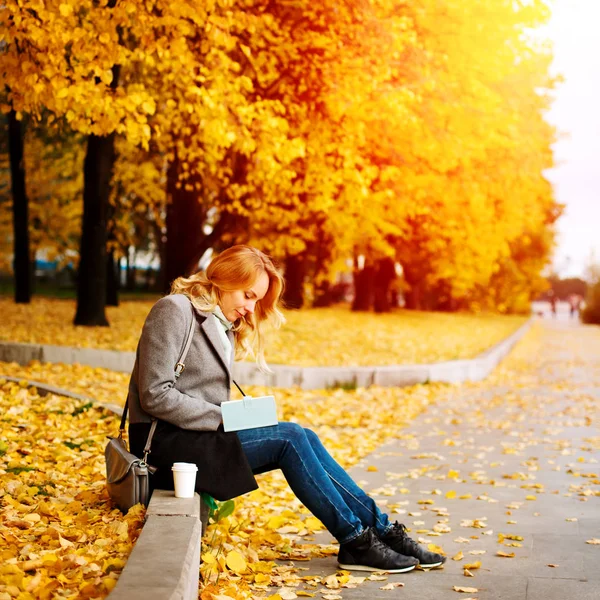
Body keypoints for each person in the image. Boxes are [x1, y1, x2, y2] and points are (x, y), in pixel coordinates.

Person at [127, 245, 445, 573]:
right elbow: (155, 393)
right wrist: (225, 418)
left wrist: (238, 415)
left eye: (256, 300)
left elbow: (196, 390)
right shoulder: (174, 310)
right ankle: (356, 541)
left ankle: (381, 530)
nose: (251, 309)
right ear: (224, 279)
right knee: (289, 436)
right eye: (248, 296)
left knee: (302, 434)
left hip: (197, 436)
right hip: (164, 443)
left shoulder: (219, 322)